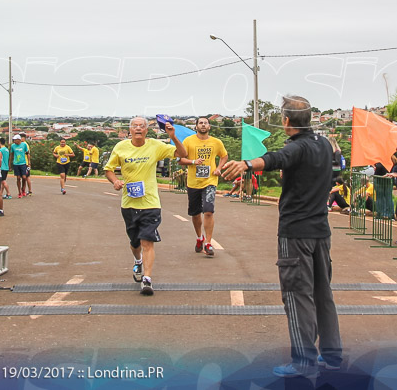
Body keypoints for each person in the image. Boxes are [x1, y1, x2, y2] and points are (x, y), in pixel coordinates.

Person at [220, 95, 342, 379]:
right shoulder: (323, 144)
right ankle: (332, 356)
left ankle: (303, 361)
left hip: (296, 233)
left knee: (297, 295)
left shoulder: (297, 147)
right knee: (323, 293)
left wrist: (247, 164)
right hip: (321, 232)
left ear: (286, 121)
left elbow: (278, 158)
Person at [104, 117, 186, 295]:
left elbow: (182, 154)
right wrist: (115, 181)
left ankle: (147, 279)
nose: (138, 128)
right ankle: (138, 260)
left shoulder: (155, 146)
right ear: (130, 130)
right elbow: (108, 169)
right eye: (135, 126)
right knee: (135, 242)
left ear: (147, 130)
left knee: (147, 240)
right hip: (129, 203)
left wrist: (173, 136)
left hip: (150, 203)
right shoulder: (121, 147)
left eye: (142, 126)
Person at [179, 116, 228, 257]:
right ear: (196, 126)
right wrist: (193, 161)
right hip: (193, 182)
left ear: (209, 127)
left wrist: (219, 168)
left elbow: (224, 156)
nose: (203, 125)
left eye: (206, 123)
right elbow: (180, 160)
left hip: (210, 181)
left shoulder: (216, 142)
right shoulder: (188, 141)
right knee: (195, 213)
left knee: (208, 211)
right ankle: (199, 237)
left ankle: (208, 242)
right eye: (200, 123)